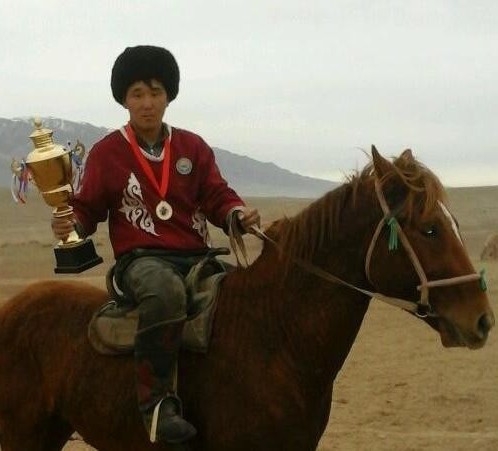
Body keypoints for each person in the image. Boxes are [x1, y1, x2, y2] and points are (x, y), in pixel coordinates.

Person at [51, 45, 260, 445]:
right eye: (137, 94)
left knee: (244, 297)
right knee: (165, 294)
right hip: (142, 260)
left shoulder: (193, 147)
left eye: (155, 92)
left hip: (198, 257)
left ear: (168, 96)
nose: (147, 103)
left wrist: (236, 214)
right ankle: (158, 404)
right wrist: (70, 224)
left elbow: (217, 195)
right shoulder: (108, 152)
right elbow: (87, 207)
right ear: (124, 100)